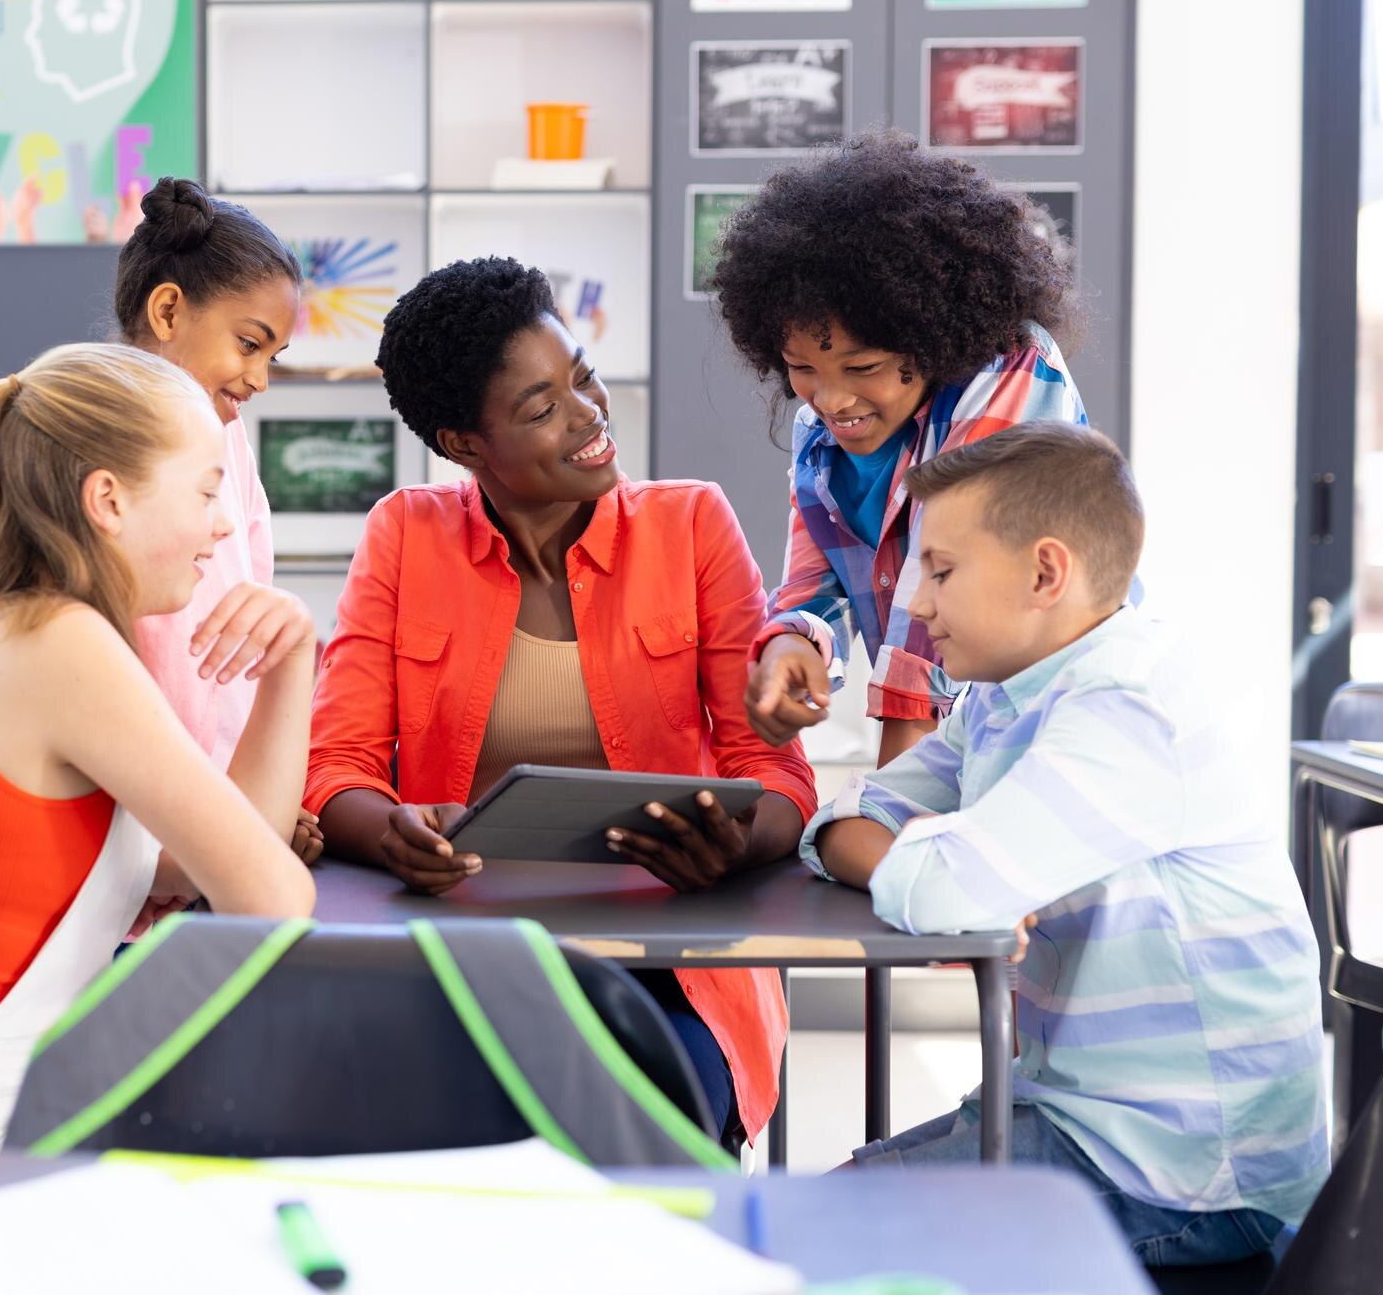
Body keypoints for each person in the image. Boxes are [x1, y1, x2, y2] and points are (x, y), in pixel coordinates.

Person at [306, 257, 819, 1146]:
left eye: (583, 377)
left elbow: (770, 767)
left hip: (668, 959)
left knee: (655, 1127)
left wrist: (740, 844)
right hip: (466, 954)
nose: (589, 417)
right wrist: (388, 832)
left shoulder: (691, 524)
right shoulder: (404, 534)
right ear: (464, 443)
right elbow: (338, 765)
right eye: (542, 409)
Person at [805, 423, 1327, 1263]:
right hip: (1078, 1116)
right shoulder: (1006, 697)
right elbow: (843, 821)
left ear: (1045, 572)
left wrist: (937, 856)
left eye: (941, 570)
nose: (918, 604)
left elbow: (946, 893)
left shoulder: (1126, 704)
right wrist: (927, 851)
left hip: (1187, 1176)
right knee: (828, 1209)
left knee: (827, 1228)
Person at [0, 343, 316, 1154]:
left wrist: (293, 668)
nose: (224, 524)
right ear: (109, 501)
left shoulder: (6, 632)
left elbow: (206, 870)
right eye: (207, 490)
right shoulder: (59, 643)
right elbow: (272, 900)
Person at [714, 130, 1093, 766]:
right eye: (800, 368)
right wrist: (791, 645)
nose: (830, 401)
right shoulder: (821, 435)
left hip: (1060, 728)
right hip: (957, 748)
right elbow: (815, 585)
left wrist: (890, 801)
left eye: (863, 367)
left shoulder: (1011, 372)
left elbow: (946, 580)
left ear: (934, 339)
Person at [114, 178, 325, 886]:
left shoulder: (228, 440)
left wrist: (264, 800)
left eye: (274, 357)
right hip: (145, 838)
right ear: (169, 309)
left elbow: (244, 627)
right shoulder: (96, 441)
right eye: (249, 344)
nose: (260, 379)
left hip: (223, 821)